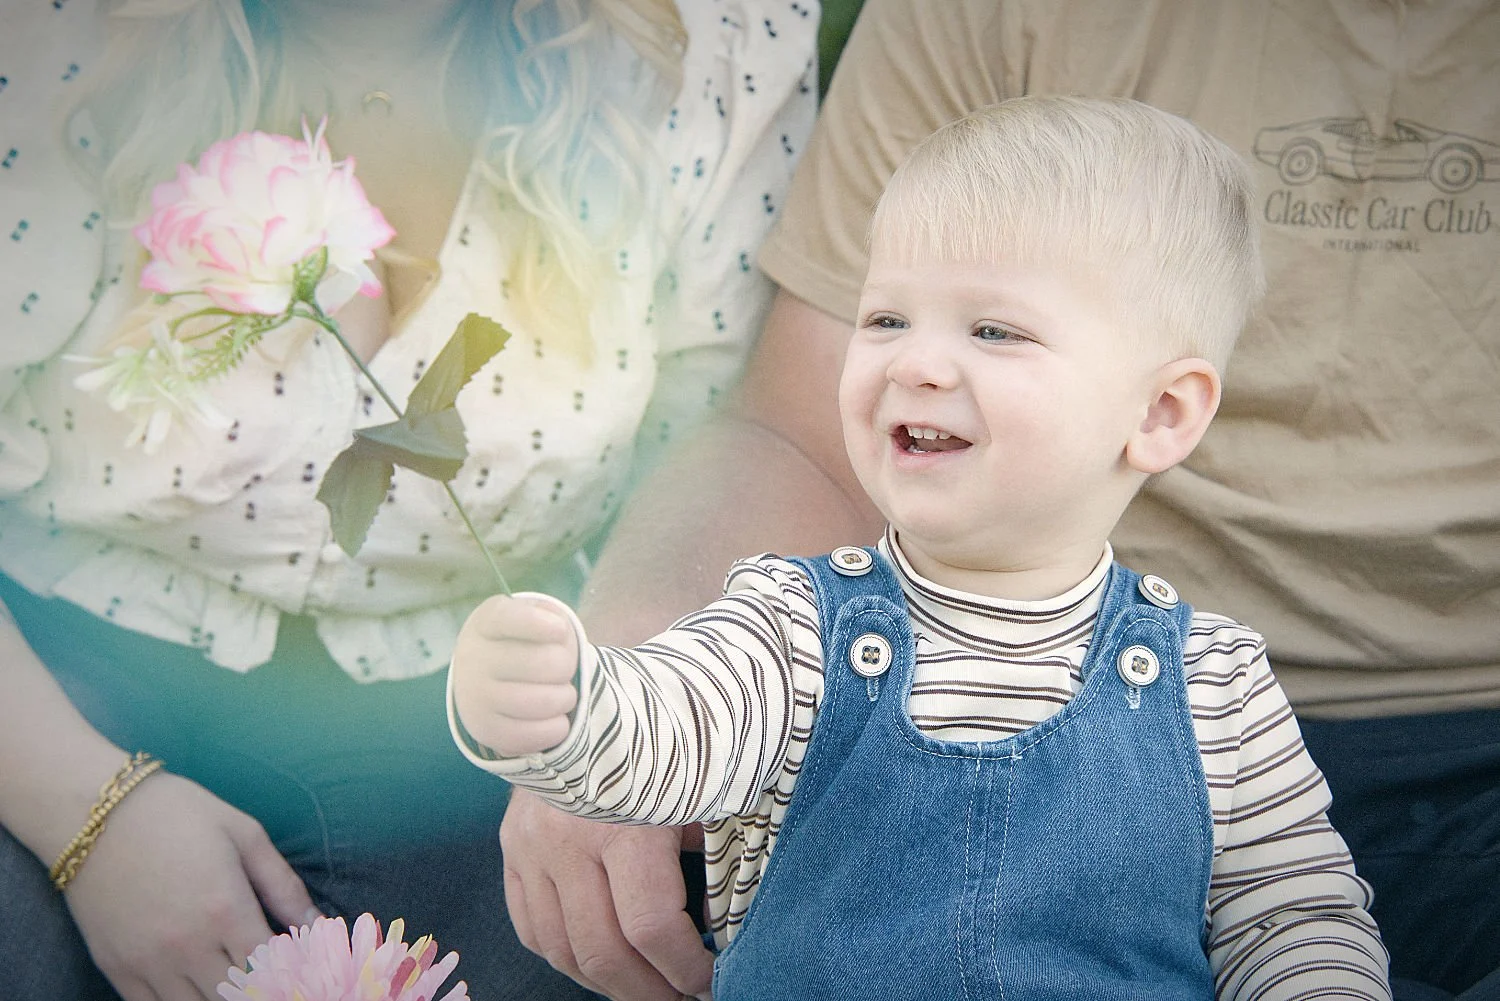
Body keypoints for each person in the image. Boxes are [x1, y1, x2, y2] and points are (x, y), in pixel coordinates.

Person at [494, 1, 1500, 999]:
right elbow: (670, 722)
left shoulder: (1214, 684)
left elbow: (1292, 912)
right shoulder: (796, 621)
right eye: (886, 316)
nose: (918, 361)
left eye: (995, 332)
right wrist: (573, 694)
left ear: (1161, 411)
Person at [0, 1, 820, 999]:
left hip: (504, 714)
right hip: (56, 678)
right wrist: (89, 815)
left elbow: (719, 442)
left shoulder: (717, 37)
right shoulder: (49, 41)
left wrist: (615, 715)